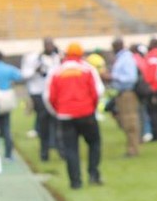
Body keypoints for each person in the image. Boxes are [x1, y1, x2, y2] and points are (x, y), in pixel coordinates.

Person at [44, 43, 105, 189]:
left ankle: (75, 182)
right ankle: (93, 174)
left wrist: (57, 112)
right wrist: (92, 108)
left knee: (71, 149)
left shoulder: (56, 71)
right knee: (94, 143)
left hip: (65, 115)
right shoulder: (88, 69)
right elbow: (98, 91)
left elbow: (48, 97)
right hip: (87, 113)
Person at [21, 37, 61, 161]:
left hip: (54, 95)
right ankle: (44, 153)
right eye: (47, 45)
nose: (50, 47)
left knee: (58, 123)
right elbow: (24, 75)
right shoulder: (35, 59)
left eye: (51, 45)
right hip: (39, 94)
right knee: (43, 123)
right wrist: (35, 70)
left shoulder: (57, 58)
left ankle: (60, 150)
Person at [102, 37, 141, 157]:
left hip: (127, 93)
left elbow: (131, 78)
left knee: (130, 122)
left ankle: (133, 149)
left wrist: (113, 77)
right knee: (124, 121)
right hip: (121, 93)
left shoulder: (126, 59)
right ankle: (131, 147)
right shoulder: (121, 58)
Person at [0, 51, 23, 164]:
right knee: (6, 128)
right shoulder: (8, 68)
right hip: (4, 102)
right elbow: (19, 77)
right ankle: (8, 155)